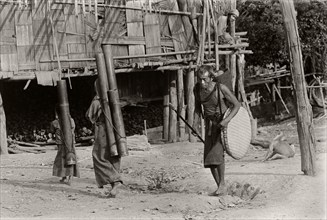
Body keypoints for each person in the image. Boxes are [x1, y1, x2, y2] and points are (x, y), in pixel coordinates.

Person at [193, 65, 241, 196]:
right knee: (209, 158)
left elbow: (237, 105)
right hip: (209, 125)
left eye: (205, 79)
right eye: (199, 79)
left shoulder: (221, 88)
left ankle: (222, 184)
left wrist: (226, 121)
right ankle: (221, 186)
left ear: (211, 77)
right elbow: (198, 108)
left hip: (222, 123)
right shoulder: (197, 89)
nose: (202, 82)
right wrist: (195, 124)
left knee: (217, 154)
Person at [86, 79, 123, 197]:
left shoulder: (98, 100)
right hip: (117, 129)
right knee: (114, 155)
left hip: (104, 129)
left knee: (99, 156)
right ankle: (114, 187)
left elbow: (89, 115)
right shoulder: (114, 98)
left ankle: (115, 181)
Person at [51, 106, 80, 185]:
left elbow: (52, 130)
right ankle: (68, 176)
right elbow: (73, 129)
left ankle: (65, 176)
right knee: (70, 158)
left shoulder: (55, 122)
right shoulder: (71, 120)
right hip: (70, 143)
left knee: (62, 159)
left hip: (61, 143)